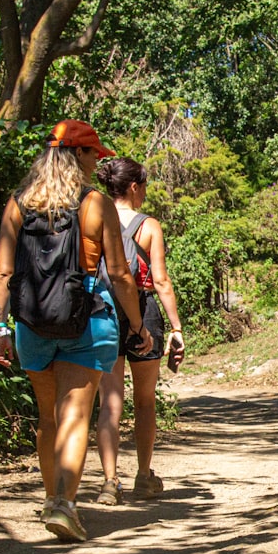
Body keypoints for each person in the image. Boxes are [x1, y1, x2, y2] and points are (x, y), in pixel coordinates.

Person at [0, 120, 154, 543]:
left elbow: (5, 273)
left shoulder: (17, 204)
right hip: (88, 317)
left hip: (32, 323)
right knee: (76, 415)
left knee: (48, 418)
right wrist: (137, 327)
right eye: (93, 152)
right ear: (76, 155)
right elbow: (118, 274)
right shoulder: (94, 204)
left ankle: (53, 498)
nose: (97, 159)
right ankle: (64, 502)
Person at [94, 157, 184, 505]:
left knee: (109, 402)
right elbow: (160, 280)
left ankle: (108, 481)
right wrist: (176, 326)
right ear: (134, 187)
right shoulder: (148, 226)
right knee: (144, 402)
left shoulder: (93, 218)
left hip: (102, 310)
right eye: (143, 186)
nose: (145, 193)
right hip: (143, 312)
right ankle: (143, 476)